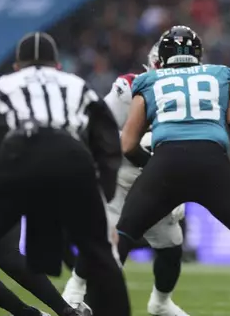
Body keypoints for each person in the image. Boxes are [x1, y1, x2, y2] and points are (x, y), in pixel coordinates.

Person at [115, 25, 230, 316]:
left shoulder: (148, 80)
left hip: (166, 163)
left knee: (123, 234)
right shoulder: (220, 75)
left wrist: (152, 168)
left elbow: (128, 143)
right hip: (212, 163)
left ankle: (94, 301)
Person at [0, 32, 130, 316]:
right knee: (98, 254)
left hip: (18, 157)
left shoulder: (3, 85)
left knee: (5, 253)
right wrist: (103, 198)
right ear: (57, 64)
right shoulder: (76, 84)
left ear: (17, 66)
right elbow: (106, 139)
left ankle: (31, 312)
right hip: (71, 159)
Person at [62, 42, 189, 316]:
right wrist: (134, 144)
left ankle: (161, 303)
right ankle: (73, 293)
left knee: (171, 244)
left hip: (154, 180)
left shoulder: (188, 95)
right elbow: (99, 128)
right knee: (108, 242)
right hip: (120, 177)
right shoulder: (130, 87)